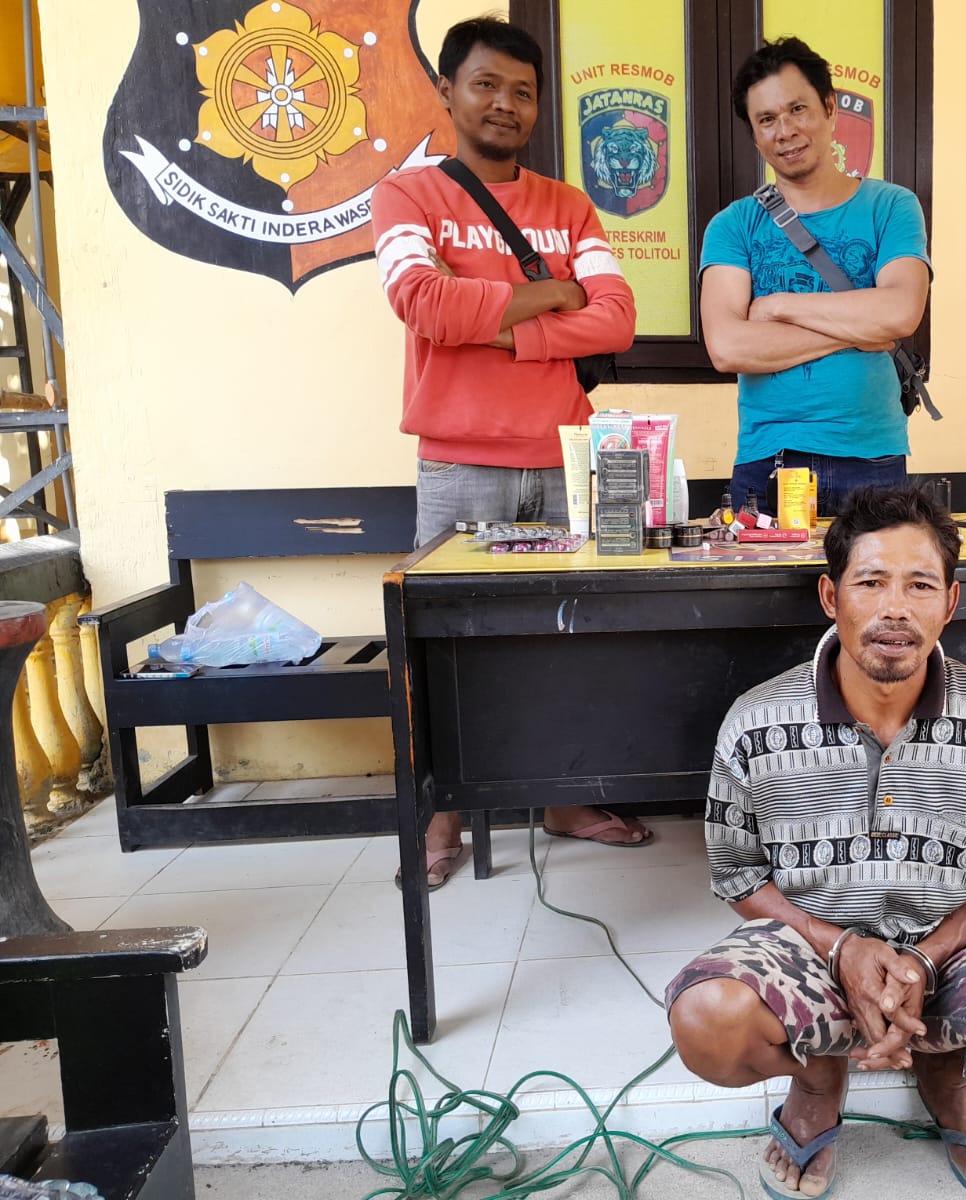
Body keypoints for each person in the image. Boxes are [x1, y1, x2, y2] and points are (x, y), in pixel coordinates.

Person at [667, 485, 966, 1200]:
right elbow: (739, 876)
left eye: (920, 585)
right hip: (808, 953)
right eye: (871, 582)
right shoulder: (756, 721)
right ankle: (817, 1078)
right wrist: (843, 951)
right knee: (707, 1024)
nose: (894, 608)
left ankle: (949, 1069)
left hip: (957, 951)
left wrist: (923, 959)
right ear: (831, 597)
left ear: (950, 603)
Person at [371, 17, 650, 886]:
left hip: (567, 457)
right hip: (459, 462)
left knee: (563, 638)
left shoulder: (568, 205)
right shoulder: (407, 196)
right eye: (486, 84)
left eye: (522, 92)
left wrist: (500, 327)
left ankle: (561, 797)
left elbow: (617, 318)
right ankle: (441, 816)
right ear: (448, 90)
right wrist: (551, 294)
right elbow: (422, 302)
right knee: (444, 650)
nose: (505, 104)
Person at [700, 37, 932, 517]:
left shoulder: (892, 206)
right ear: (755, 135)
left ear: (829, 108)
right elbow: (727, 347)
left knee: (875, 572)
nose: (785, 130)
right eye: (767, 119)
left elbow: (900, 312)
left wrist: (777, 306)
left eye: (797, 109)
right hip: (768, 462)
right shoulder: (733, 225)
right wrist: (862, 330)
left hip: (873, 459)